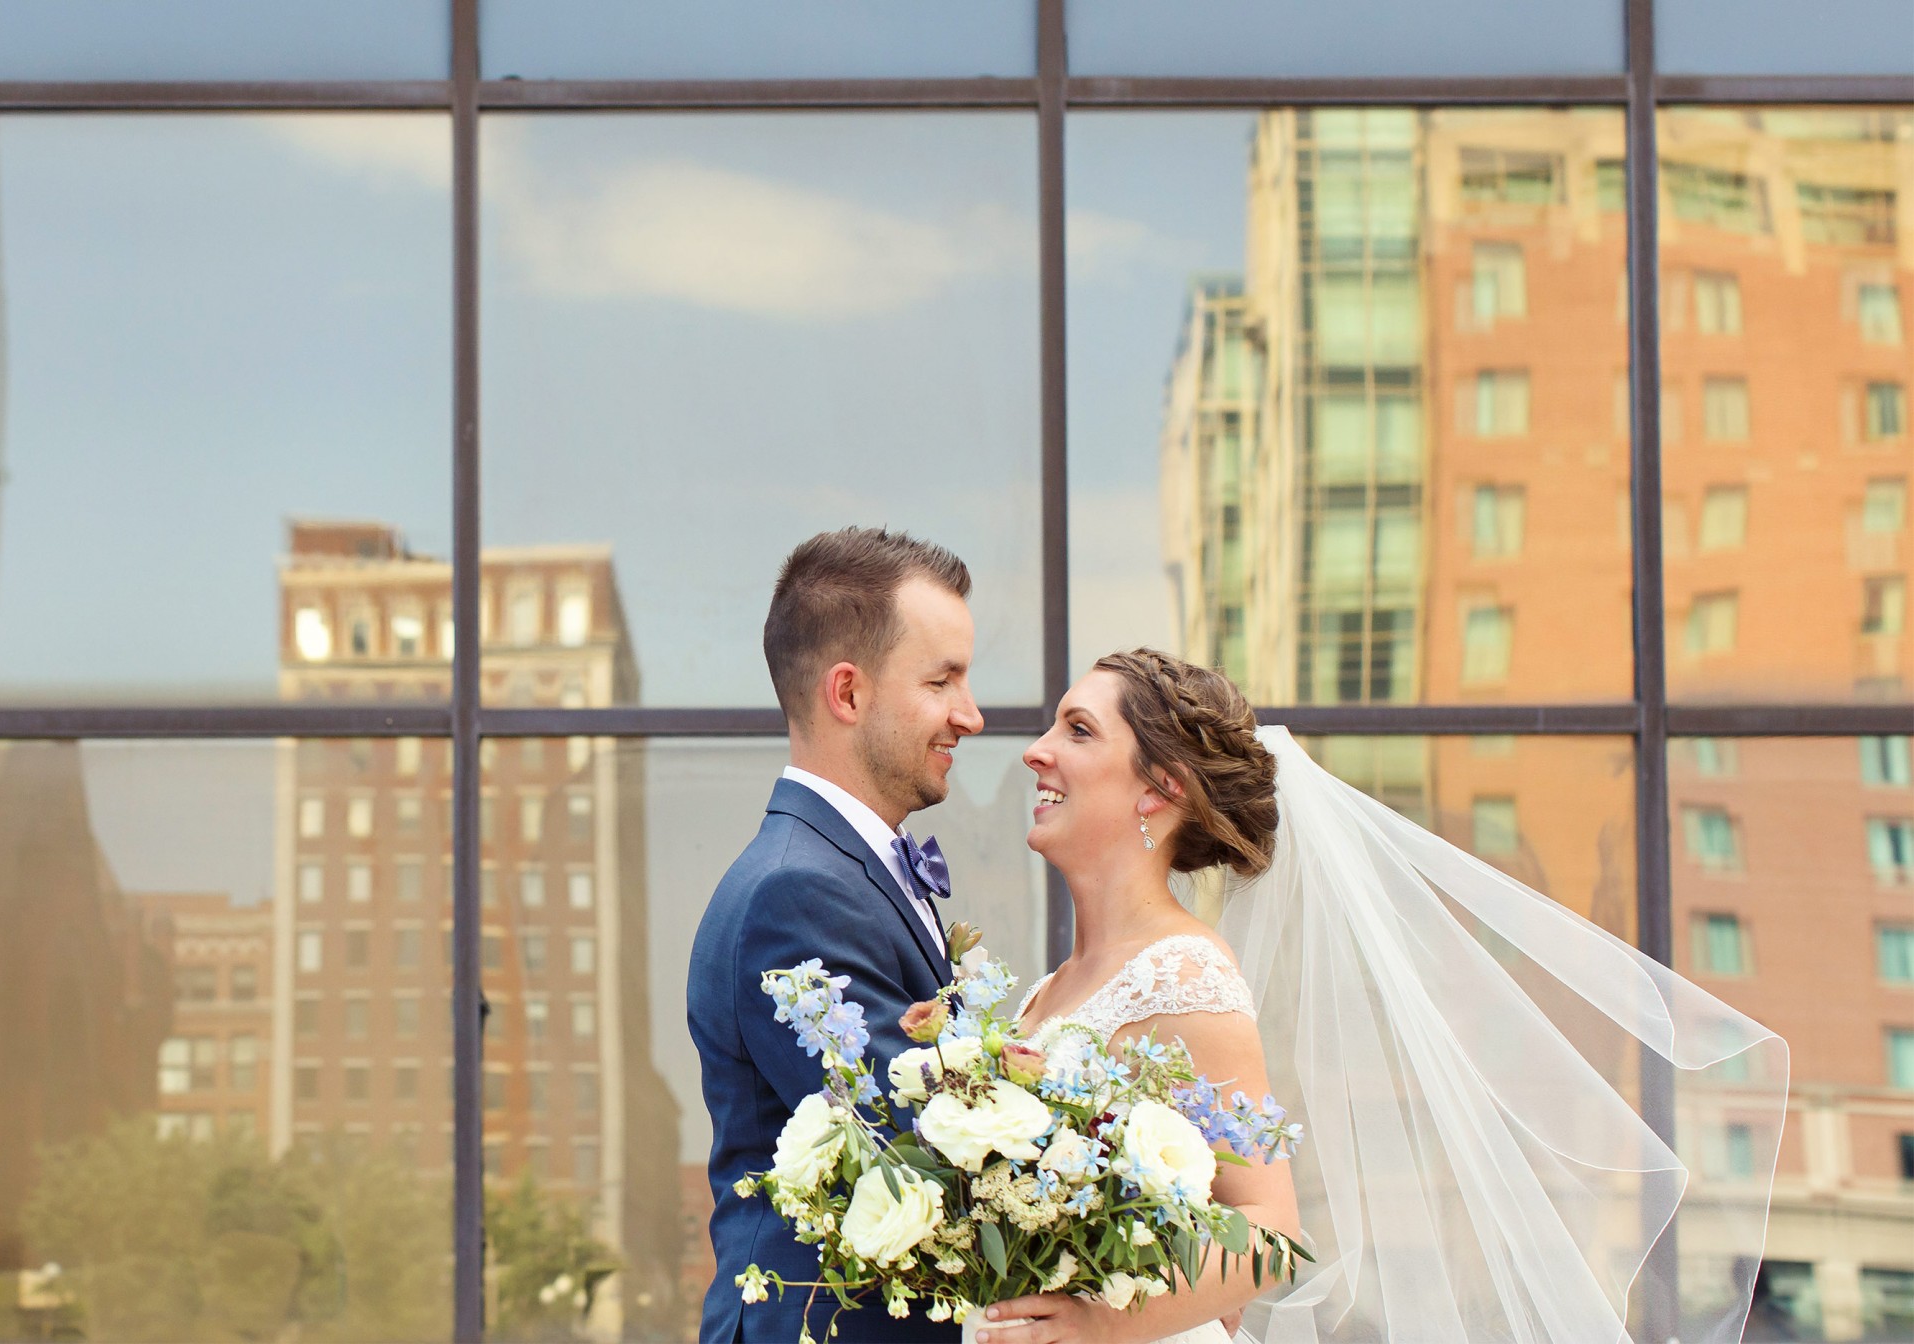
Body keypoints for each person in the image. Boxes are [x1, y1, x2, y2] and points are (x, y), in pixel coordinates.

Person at [976, 650, 1786, 1344]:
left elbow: (1270, 1230)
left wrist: (1101, 1324)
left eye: (1078, 731)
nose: (1037, 752)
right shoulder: (1054, 987)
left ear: (1160, 788)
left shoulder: (1183, 973)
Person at [689, 527, 983, 1343]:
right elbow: (918, 1144)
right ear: (847, 694)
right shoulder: (795, 893)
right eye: (942, 680)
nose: (970, 714)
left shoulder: (842, 870)